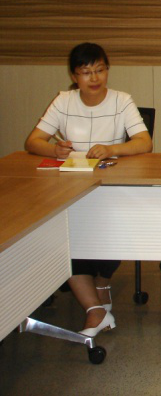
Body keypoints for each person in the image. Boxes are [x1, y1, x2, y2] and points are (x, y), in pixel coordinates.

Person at [25, 42, 153, 337]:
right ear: (74, 76)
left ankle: (102, 283)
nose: (94, 78)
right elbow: (33, 141)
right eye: (85, 72)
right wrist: (54, 149)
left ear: (108, 70)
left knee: (107, 229)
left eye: (99, 70)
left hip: (111, 185)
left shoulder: (121, 100)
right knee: (66, 235)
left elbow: (144, 143)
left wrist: (112, 148)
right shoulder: (64, 101)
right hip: (70, 185)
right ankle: (95, 309)